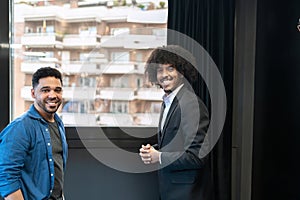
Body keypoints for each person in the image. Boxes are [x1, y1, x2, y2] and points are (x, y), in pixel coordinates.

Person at [139, 45, 211, 200]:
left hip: (186, 193)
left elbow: (196, 156)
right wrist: (154, 151)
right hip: (170, 189)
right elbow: (177, 144)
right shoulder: (168, 102)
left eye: (170, 69)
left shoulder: (191, 104)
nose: (164, 75)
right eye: (159, 70)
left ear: (182, 72)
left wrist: (159, 157)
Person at [0, 67, 68, 200]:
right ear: (33, 93)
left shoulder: (58, 123)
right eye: (45, 90)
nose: (52, 95)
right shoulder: (20, 127)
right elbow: (6, 177)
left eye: (57, 90)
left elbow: (56, 169)